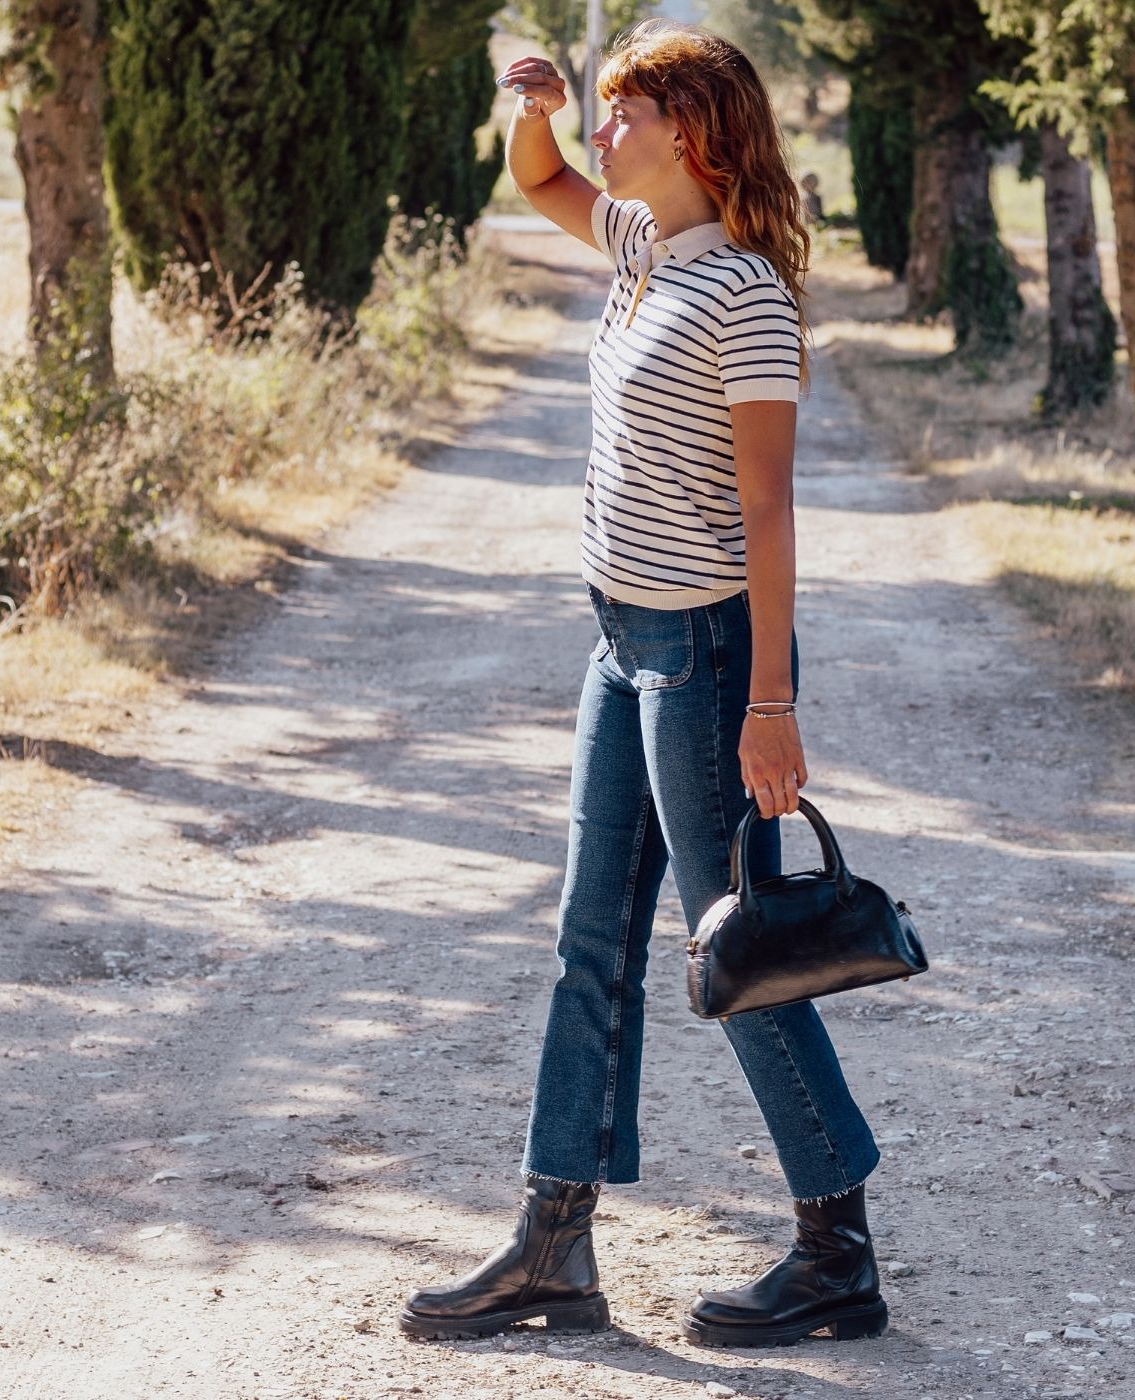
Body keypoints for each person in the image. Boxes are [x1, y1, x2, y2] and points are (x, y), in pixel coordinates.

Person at [399, 19, 885, 1350]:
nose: (606, 132)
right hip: (618, 643)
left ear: (697, 134)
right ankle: (554, 1245)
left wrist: (771, 704)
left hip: (708, 658)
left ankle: (835, 1247)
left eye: (627, 111)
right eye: (607, 111)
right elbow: (539, 180)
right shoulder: (636, 248)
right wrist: (538, 102)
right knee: (584, 939)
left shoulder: (744, 295)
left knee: (735, 945)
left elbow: (771, 508)